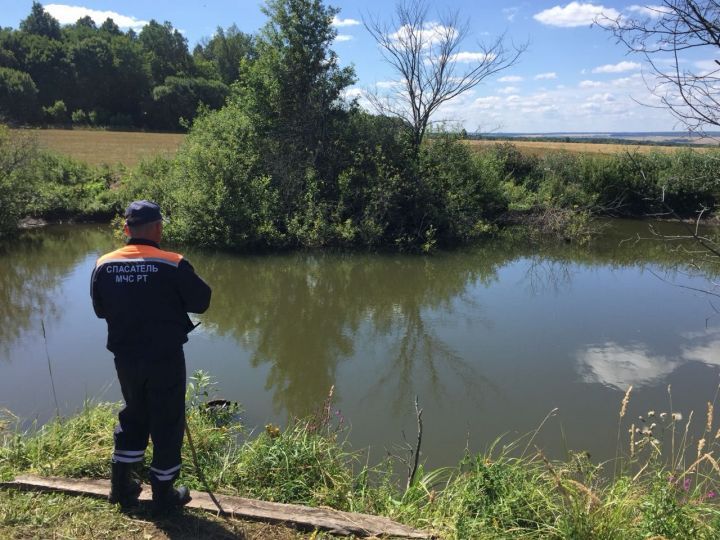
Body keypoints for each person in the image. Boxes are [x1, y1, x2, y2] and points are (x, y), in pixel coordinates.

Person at [91, 200, 212, 513]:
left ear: (127, 229)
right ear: (158, 228)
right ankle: (164, 492)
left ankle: (122, 486)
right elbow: (202, 301)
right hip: (164, 357)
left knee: (134, 414)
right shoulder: (172, 262)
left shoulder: (103, 264)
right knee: (168, 420)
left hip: (126, 357)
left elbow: (100, 309)